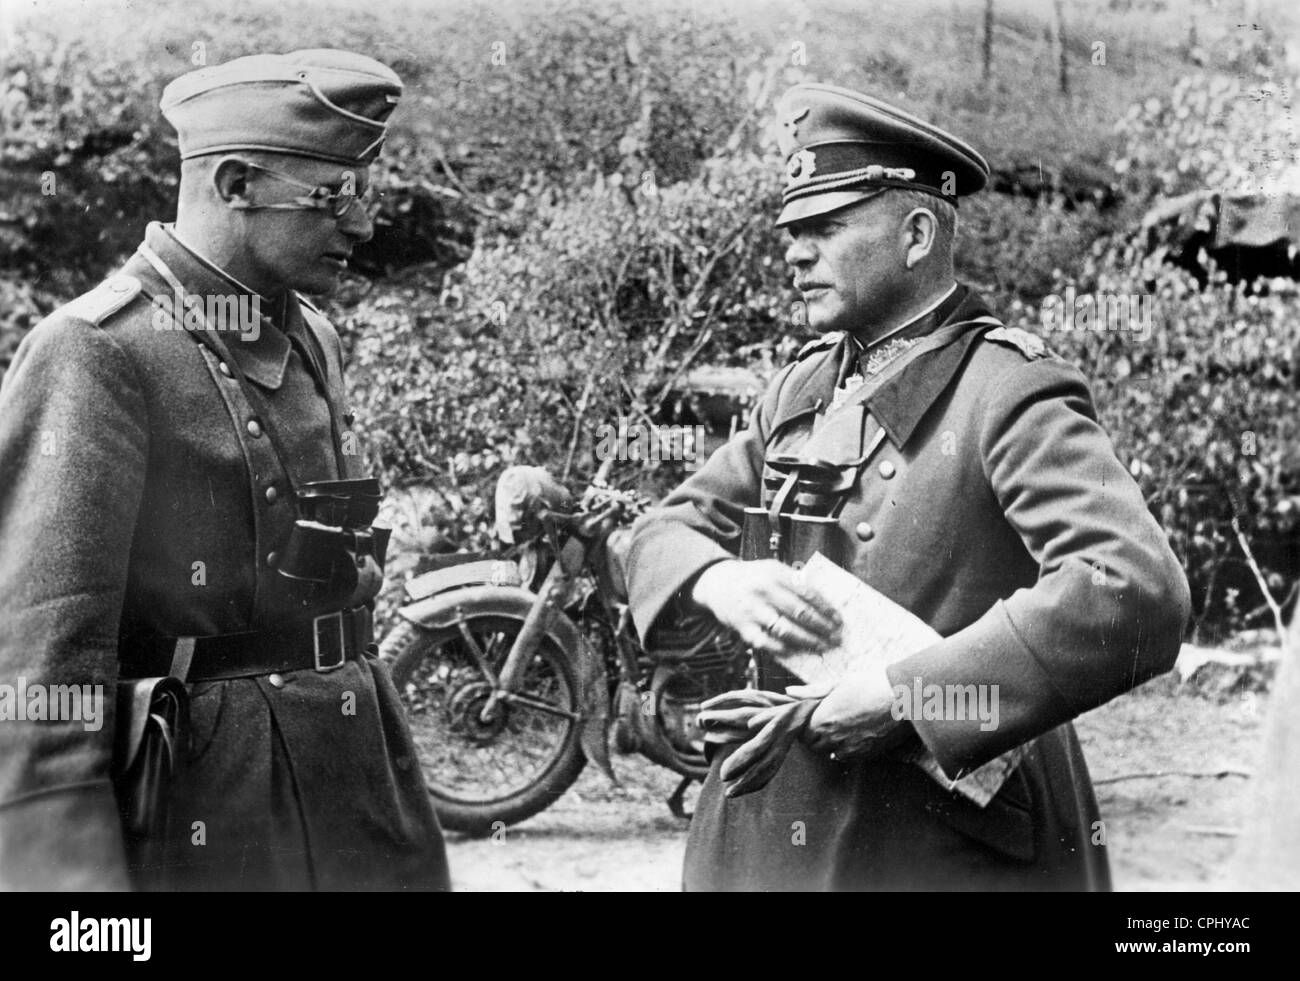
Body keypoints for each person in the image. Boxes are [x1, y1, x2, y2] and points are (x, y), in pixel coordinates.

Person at [625, 83, 1192, 891]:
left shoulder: (1007, 391)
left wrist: (906, 699)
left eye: (825, 228)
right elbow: (665, 529)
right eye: (792, 231)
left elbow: (1132, 589)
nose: (793, 252)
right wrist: (718, 576)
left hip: (937, 842)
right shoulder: (798, 391)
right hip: (766, 821)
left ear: (917, 232)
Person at [0, 49, 450, 891]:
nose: (362, 224)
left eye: (367, 192)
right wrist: (71, 901)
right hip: (212, 809)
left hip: (361, 784)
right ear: (235, 182)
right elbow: (42, 674)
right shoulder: (97, 351)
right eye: (336, 195)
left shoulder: (311, 334)